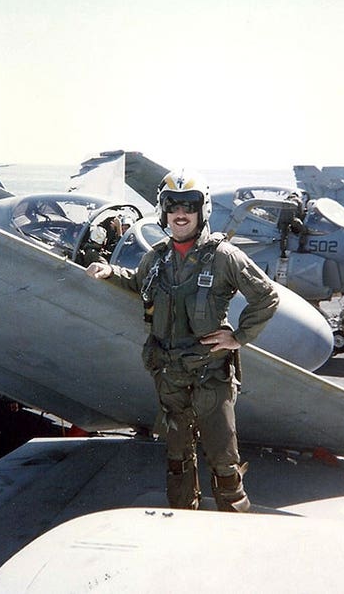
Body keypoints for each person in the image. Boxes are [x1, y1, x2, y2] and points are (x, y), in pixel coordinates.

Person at [86, 168, 279, 512]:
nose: (180, 213)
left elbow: (266, 296)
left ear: (201, 210)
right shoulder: (157, 257)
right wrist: (110, 272)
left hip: (209, 375)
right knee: (177, 458)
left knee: (223, 460)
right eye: (172, 205)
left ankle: (233, 529)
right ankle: (180, 522)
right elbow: (137, 283)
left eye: (188, 206)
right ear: (163, 211)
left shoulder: (224, 257)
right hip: (169, 375)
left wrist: (238, 337)